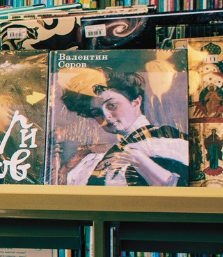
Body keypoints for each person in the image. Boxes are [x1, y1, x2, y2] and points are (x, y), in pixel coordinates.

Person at [60, 67, 188, 186]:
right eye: (97, 113)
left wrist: (135, 157)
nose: (106, 116)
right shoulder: (103, 154)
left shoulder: (165, 138)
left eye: (112, 105)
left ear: (136, 102)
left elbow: (178, 188)